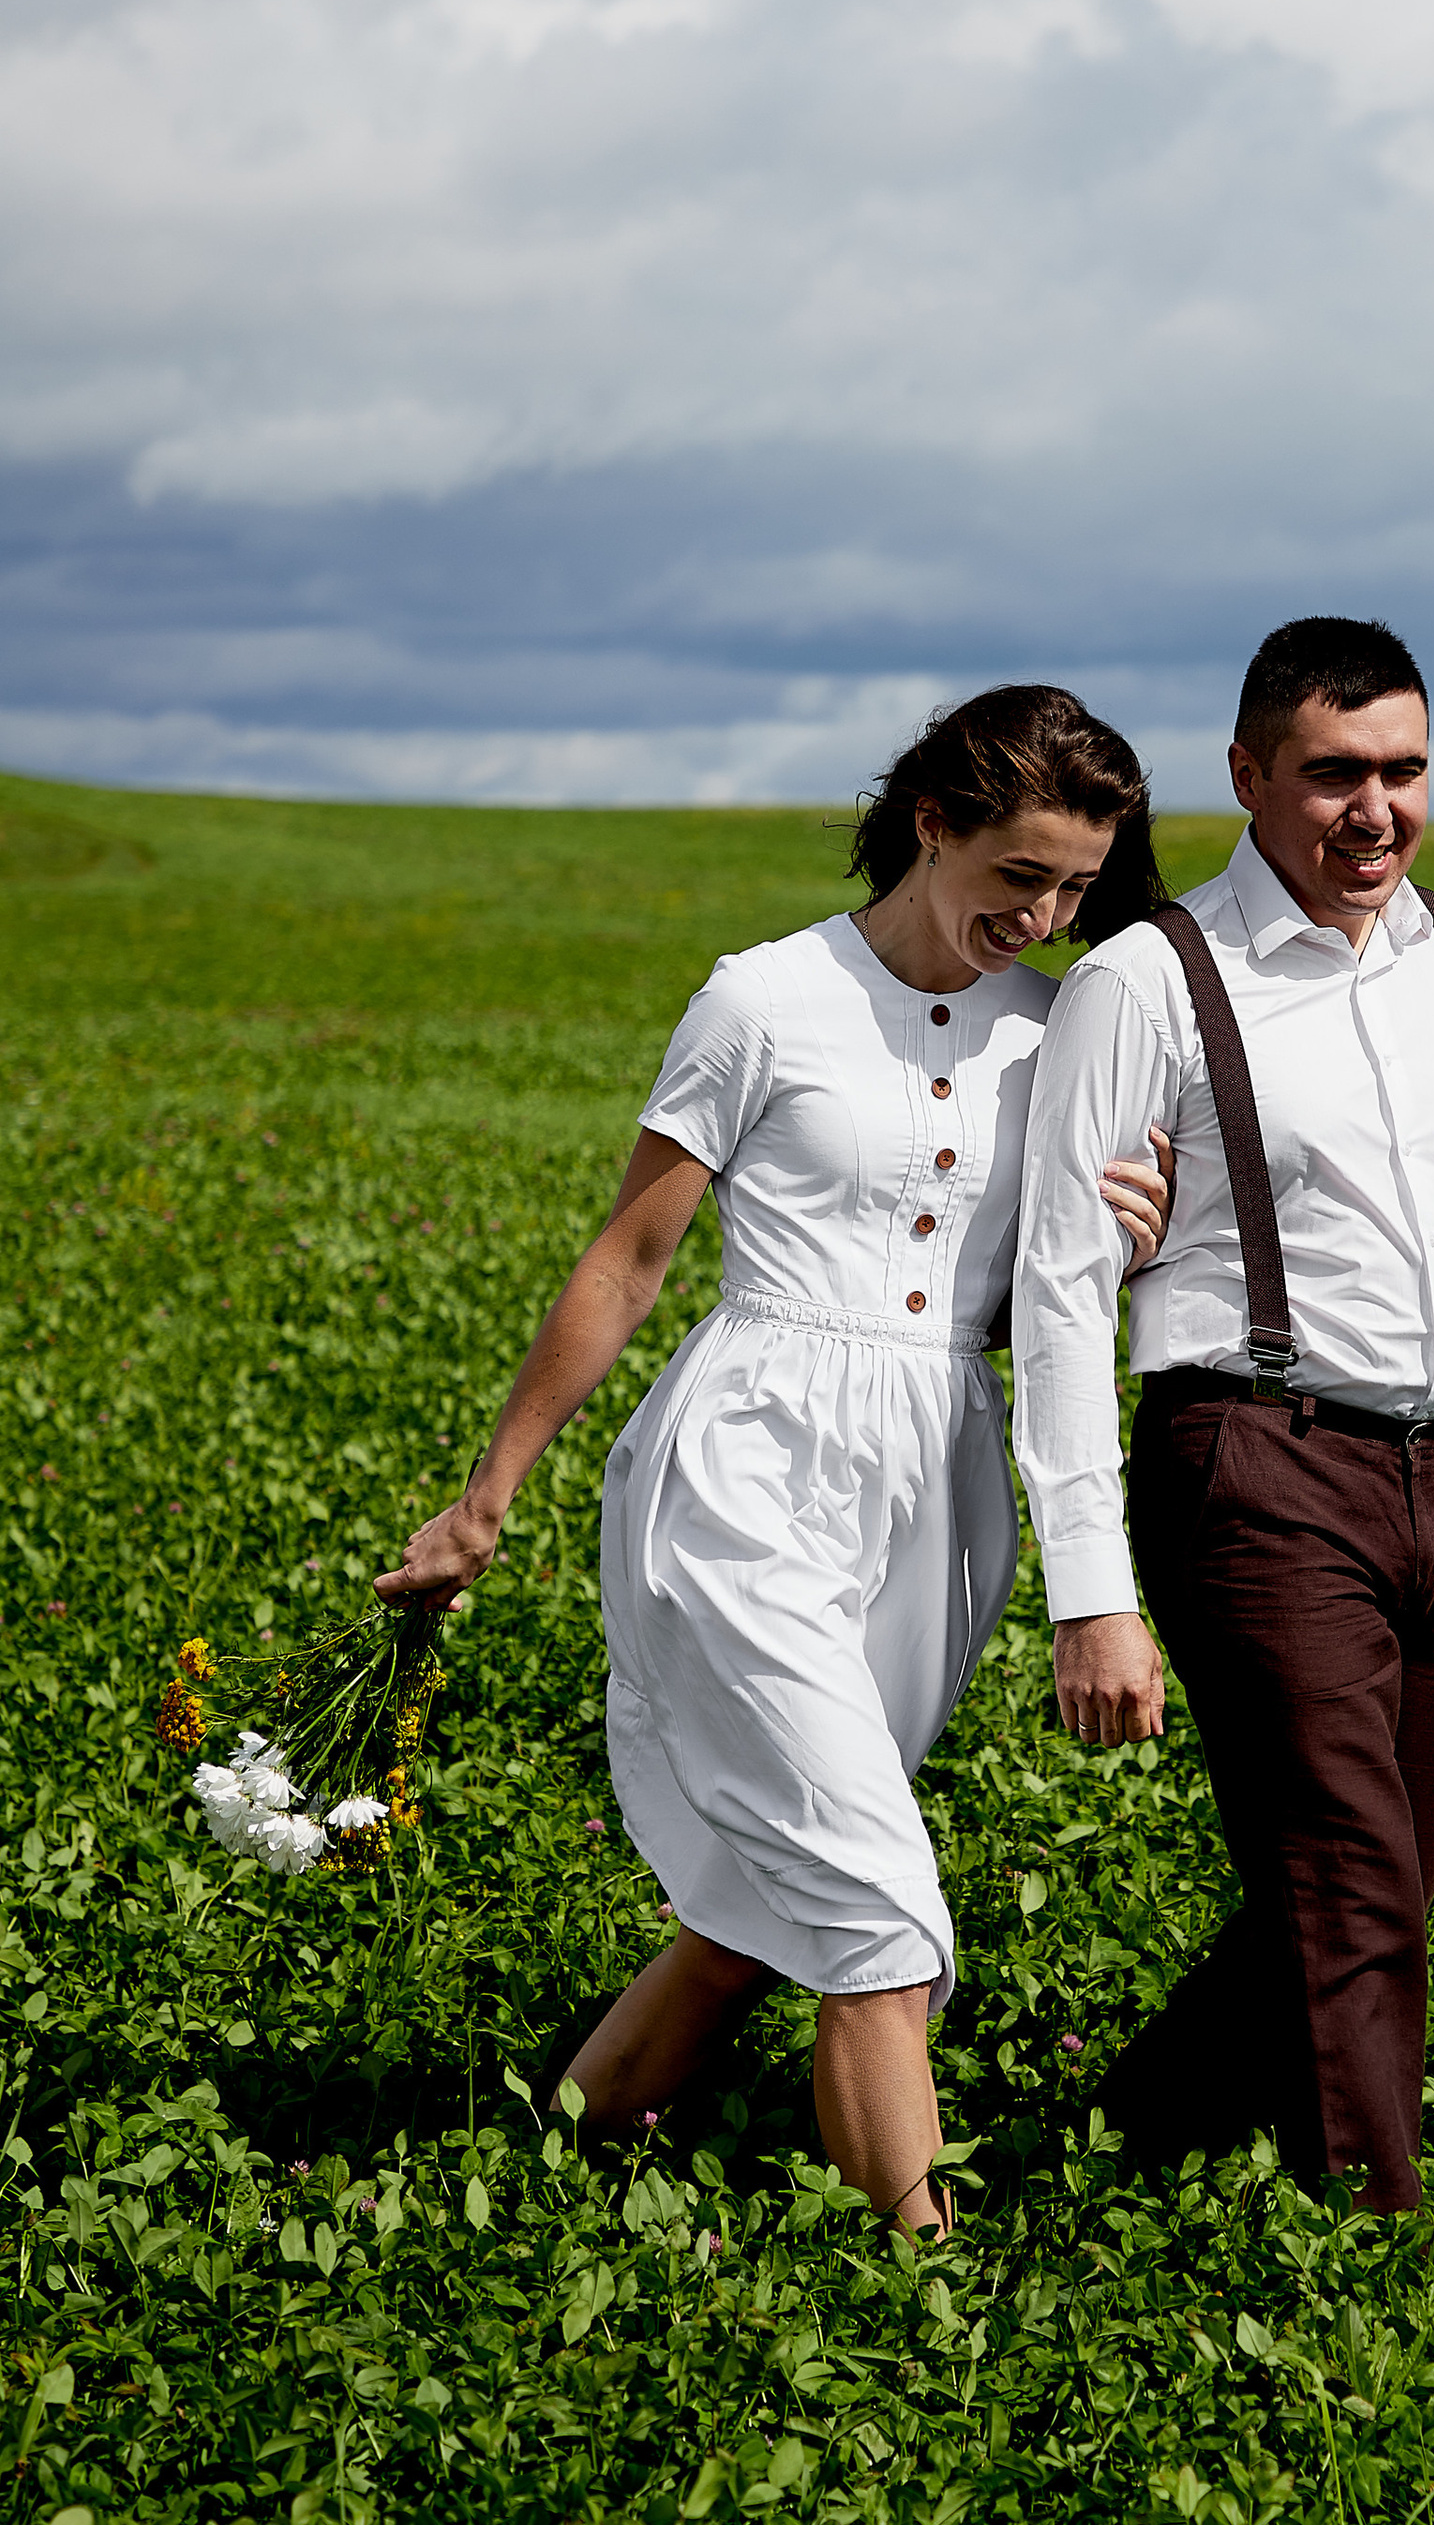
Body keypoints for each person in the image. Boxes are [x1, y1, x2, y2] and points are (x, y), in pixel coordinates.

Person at [377, 687, 1173, 2238]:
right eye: (1022, 874)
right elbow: (629, 1257)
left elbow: (1000, 1312)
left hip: (933, 1493)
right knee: (877, 1903)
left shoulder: (1056, 1034)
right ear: (933, 824)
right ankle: (926, 2288)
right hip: (748, 1467)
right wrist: (487, 1497)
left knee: (764, 1893)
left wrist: (1117, 1257)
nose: (1049, 914)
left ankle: (565, 2152)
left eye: (1080, 886)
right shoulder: (764, 999)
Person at [1011, 616, 1434, 2213]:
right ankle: (1371, 2241)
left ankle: (1132, 2146)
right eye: (1333, 775)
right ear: (1249, 774)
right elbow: (1059, 1292)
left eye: (1402, 771)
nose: (1373, 810)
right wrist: (1090, 1589)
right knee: (1349, 1883)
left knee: (1361, 1888)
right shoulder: (1146, 980)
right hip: (1253, 1464)